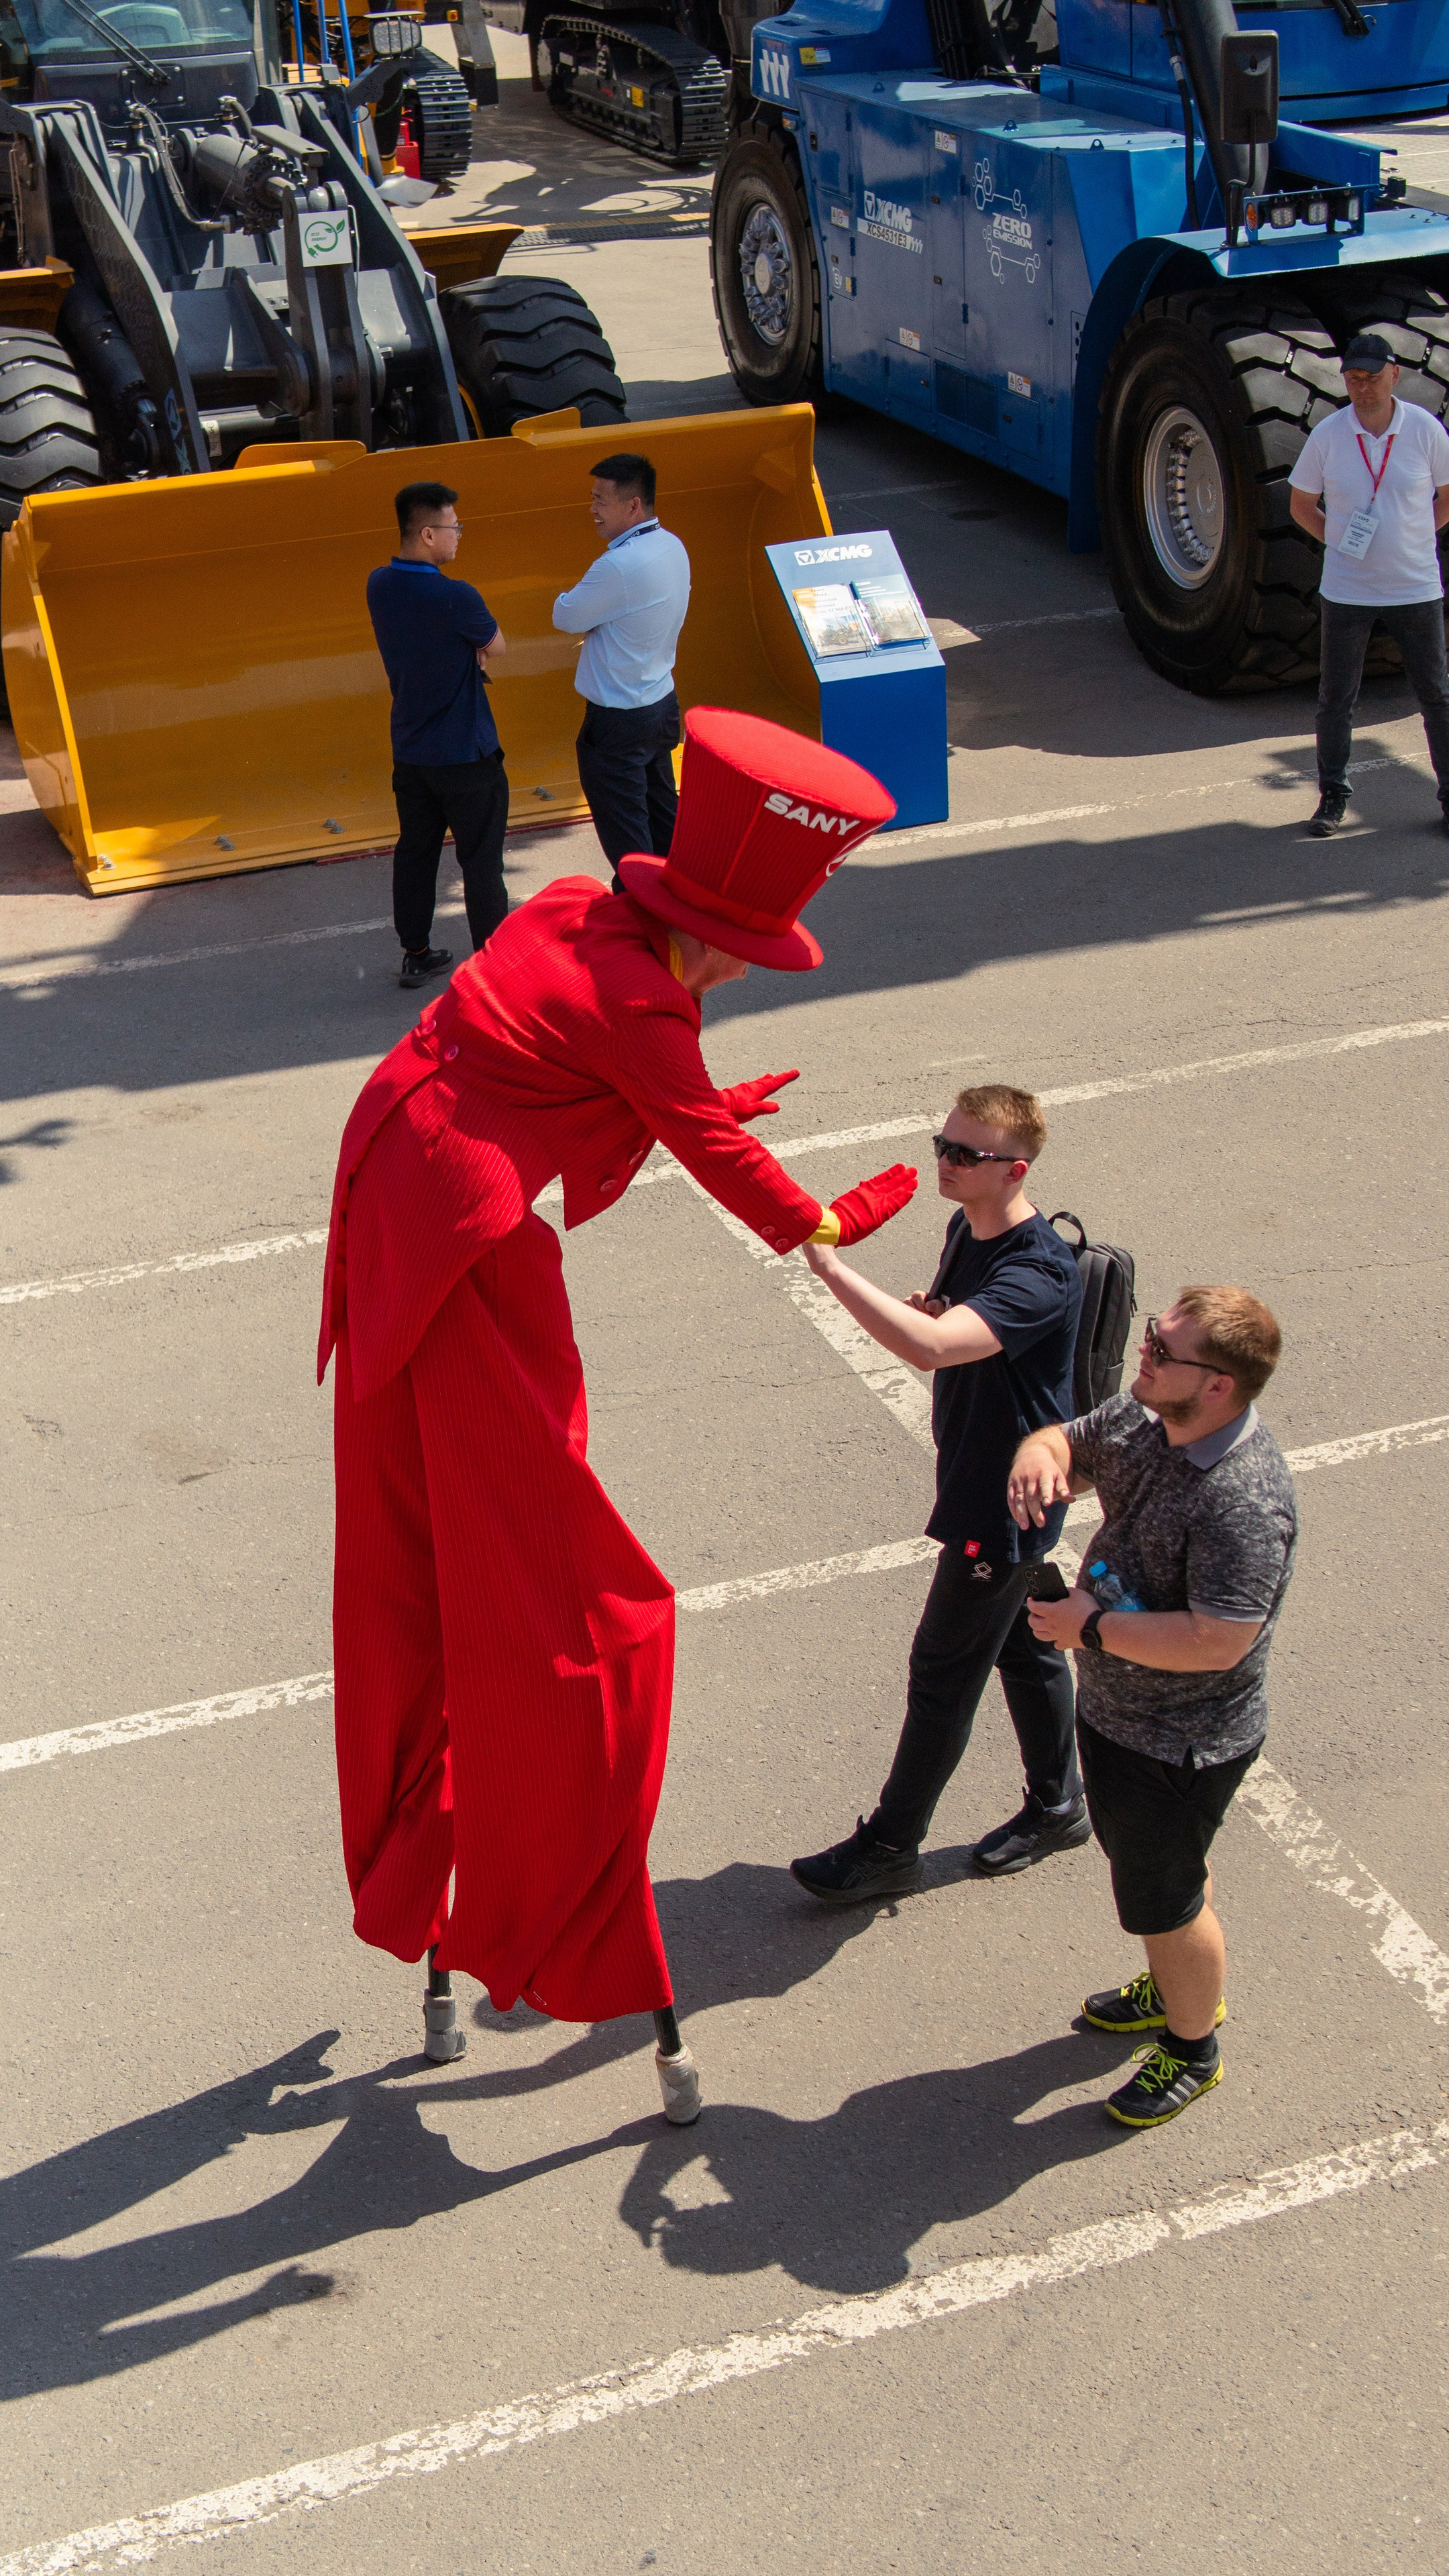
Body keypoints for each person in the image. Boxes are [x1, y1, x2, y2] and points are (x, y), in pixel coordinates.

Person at [317, 708, 917, 2110]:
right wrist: (827, 1212)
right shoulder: (646, 1002)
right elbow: (692, 1127)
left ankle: (437, 1881)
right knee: (574, 1606)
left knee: (431, 1551)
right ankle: (557, 1910)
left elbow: (569, 1061)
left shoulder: (582, 912)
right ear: (708, 941)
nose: (736, 979)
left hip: (399, 1186)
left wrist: (683, 1093)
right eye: (745, 958)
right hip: (458, 1244)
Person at [790, 1085, 1086, 1905]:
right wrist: (940, 1309)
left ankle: (890, 1844)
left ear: (1014, 1170)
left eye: (966, 1154)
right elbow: (948, 1327)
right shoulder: (968, 1225)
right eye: (942, 1145)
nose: (946, 1164)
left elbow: (928, 1349)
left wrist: (831, 1267)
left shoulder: (1039, 1271)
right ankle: (1059, 1806)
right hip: (978, 1473)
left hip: (1006, 1500)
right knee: (1025, 1645)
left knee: (944, 1670)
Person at [1009, 1289, 1296, 2132]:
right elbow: (1071, 1440)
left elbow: (1218, 1640)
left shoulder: (1241, 1500)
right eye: (1150, 1340)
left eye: (1164, 1352)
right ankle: (1173, 1980)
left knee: (1163, 1898)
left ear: (1218, 1387)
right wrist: (1040, 1451)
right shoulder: (1148, 1419)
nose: (1145, 1357)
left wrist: (1089, 1630)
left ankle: (1191, 2045)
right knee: (1154, 1882)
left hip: (1181, 1742)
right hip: (1120, 1714)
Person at [1289, 332, 1449, 845]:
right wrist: (1341, 543)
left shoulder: (1422, 429)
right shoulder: (1329, 435)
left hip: (1415, 587)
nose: (1363, 388)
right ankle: (1332, 796)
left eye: (1372, 378)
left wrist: (1416, 536)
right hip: (1348, 589)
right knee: (1335, 698)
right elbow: (1300, 505)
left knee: (1436, 696)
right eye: (1353, 378)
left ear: (1394, 375)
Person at [367, 481, 511, 994]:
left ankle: (417, 953)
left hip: (411, 751)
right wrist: (471, 650)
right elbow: (497, 645)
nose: (459, 537)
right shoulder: (457, 595)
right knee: (481, 862)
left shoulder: (378, 585)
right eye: (454, 528)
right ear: (428, 534)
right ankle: (494, 967)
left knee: (416, 852)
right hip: (466, 755)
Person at [552, 453, 691, 891]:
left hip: (618, 721)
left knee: (629, 842)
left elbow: (566, 615)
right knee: (662, 818)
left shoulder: (617, 566)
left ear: (633, 506)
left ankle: (643, 926)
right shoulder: (673, 546)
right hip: (660, 706)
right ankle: (682, 916)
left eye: (600, 501)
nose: (592, 510)